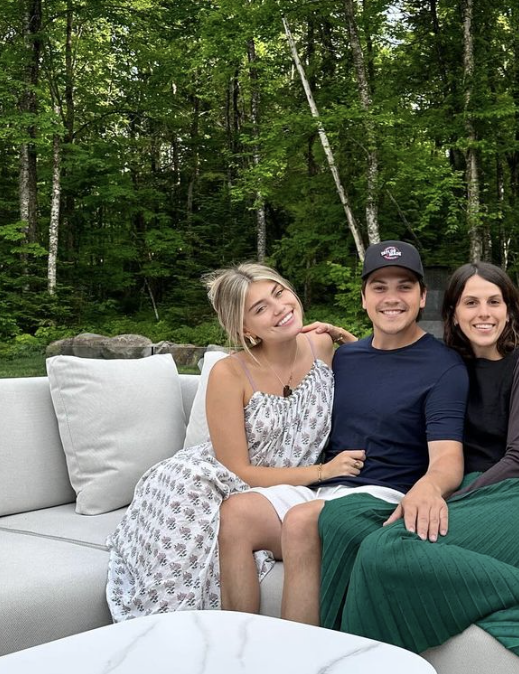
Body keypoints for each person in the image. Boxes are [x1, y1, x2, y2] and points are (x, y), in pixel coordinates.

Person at [325, 261, 519, 673]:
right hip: (463, 498)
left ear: (510, 308)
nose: (484, 313)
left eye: (494, 301)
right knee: (340, 522)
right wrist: (357, 348)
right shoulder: (449, 366)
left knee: (385, 550)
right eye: (471, 303)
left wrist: (439, 495)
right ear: (453, 311)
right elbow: (398, 372)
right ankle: (325, 660)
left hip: (517, 501)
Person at [106, 262, 364, 620]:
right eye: (260, 309)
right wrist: (322, 471)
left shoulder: (320, 344)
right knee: (178, 588)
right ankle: (184, 641)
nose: (279, 309)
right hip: (204, 481)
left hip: (279, 488)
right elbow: (238, 469)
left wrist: (347, 339)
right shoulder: (229, 372)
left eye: (279, 293)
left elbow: (371, 381)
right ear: (245, 327)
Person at [249, 240, 470, 625]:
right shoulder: (346, 357)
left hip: (385, 495)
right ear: (364, 298)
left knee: (302, 521)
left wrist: (429, 487)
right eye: (379, 287)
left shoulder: (444, 367)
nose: (392, 298)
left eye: (404, 286)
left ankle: (295, 661)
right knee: (237, 511)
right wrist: (335, 335)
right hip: (327, 487)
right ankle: (237, 644)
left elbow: (448, 460)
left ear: (422, 297)